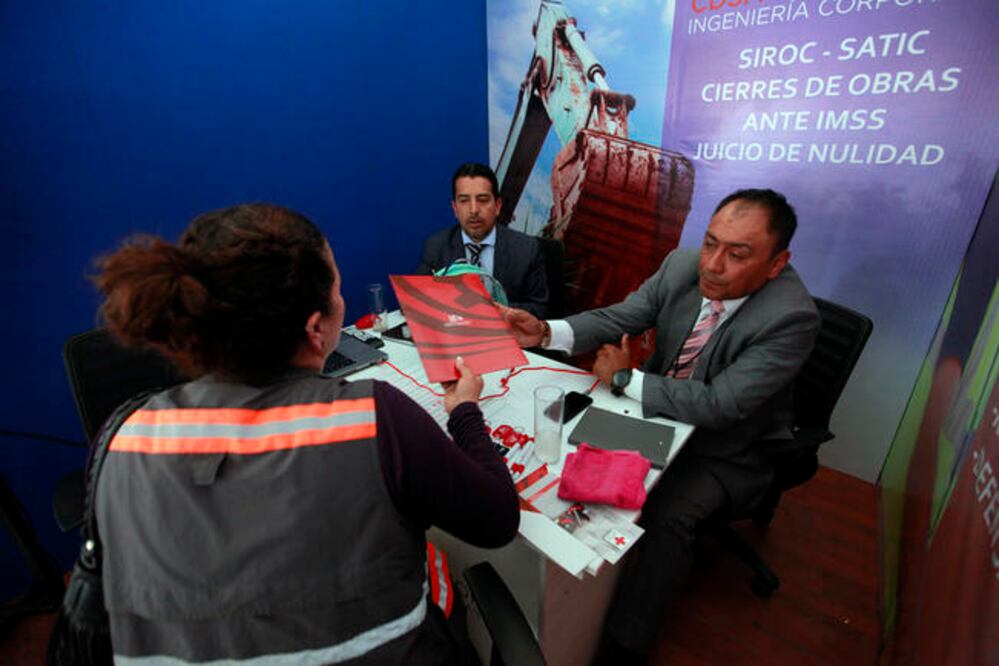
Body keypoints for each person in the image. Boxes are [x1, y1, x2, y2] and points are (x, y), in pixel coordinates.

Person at [91, 204, 520, 665]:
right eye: (337, 289)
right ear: (317, 329)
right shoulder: (376, 418)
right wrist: (465, 411)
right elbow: (497, 518)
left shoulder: (121, 439)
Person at [501, 189, 820, 663]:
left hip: (728, 448)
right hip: (663, 414)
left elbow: (719, 405)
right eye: (711, 243)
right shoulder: (681, 266)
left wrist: (628, 377)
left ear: (777, 264)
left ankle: (624, 647)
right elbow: (623, 316)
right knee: (563, 449)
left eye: (738, 254)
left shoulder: (792, 318)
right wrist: (547, 332)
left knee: (668, 516)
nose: (713, 264)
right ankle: (563, 596)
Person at [417, 162, 549, 318]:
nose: (473, 210)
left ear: (498, 206)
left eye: (483, 199)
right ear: (455, 209)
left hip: (506, 335)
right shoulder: (436, 246)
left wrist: (489, 310)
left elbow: (541, 309)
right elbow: (418, 301)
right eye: (464, 200)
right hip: (455, 335)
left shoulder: (526, 249)